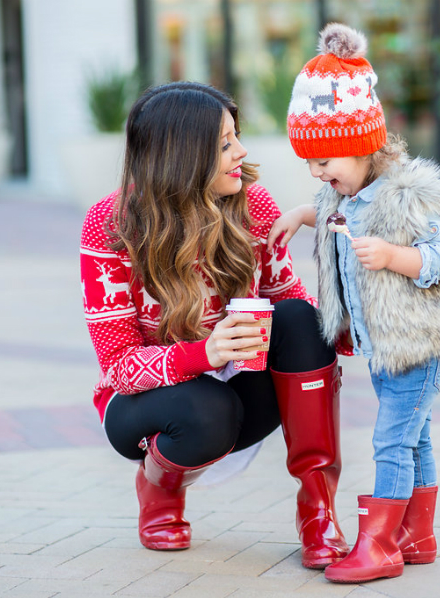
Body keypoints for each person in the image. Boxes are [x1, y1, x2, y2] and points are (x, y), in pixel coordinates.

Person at [79, 81, 349, 569]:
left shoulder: (252, 205)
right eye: (225, 143)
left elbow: (288, 303)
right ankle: (159, 490)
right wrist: (206, 353)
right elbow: (119, 367)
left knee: (302, 320)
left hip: (238, 387)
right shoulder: (111, 225)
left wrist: (343, 324)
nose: (241, 153)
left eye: (236, 136)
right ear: (184, 153)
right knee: (207, 407)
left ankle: (319, 511)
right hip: (147, 407)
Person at [269, 24, 440, 583]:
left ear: (363, 141)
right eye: (310, 165)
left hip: (418, 342)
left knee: (392, 438)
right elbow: (342, 217)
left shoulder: (408, 194)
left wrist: (393, 256)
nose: (319, 174)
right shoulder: (346, 193)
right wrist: (300, 213)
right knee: (416, 436)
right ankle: (418, 534)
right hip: (386, 347)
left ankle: (381, 543)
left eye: (325, 161)